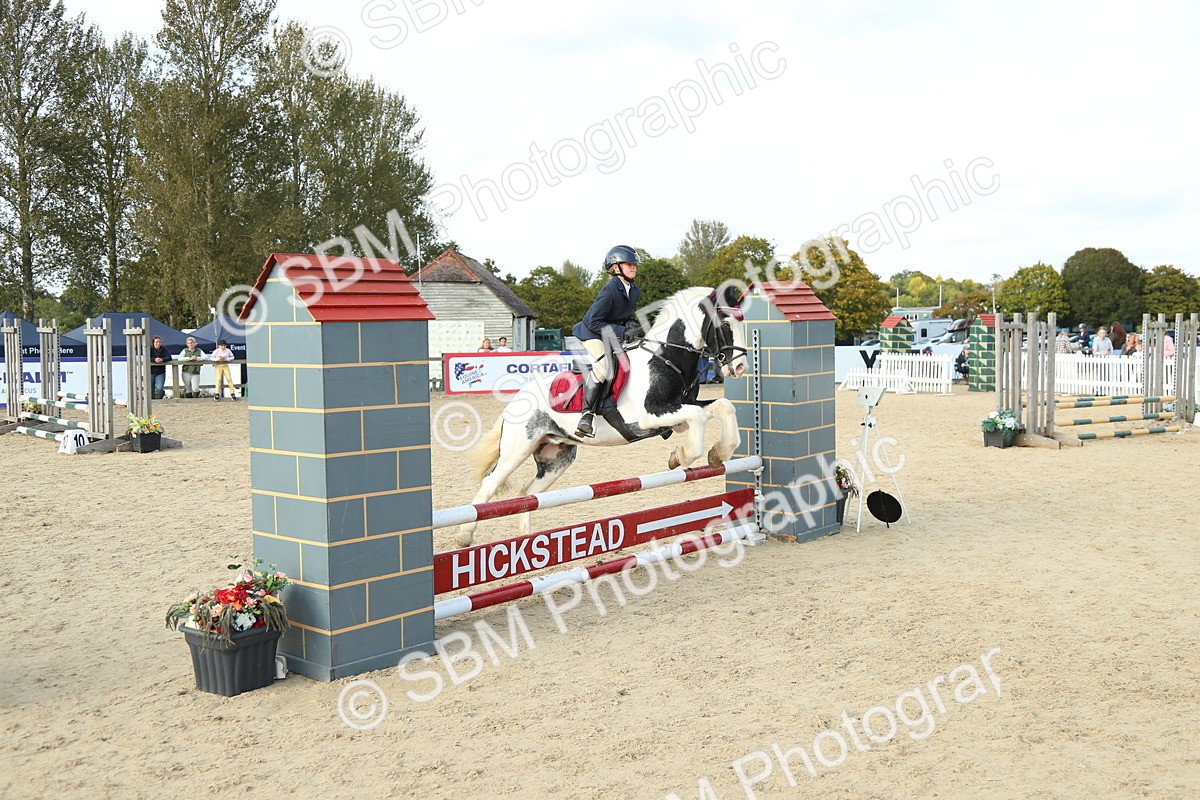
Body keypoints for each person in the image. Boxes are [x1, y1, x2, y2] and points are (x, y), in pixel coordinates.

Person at [571, 244, 641, 437]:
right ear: (615, 267)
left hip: (610, 333)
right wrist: (621, 330)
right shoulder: (609, 290)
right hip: (592, 333)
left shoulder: (634, 290)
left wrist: (631, 325)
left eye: (634, 264)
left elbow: (621, 316)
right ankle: (587, 415)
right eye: (628, 264)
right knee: (603, 367)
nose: (633, 267)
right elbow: (594, 322)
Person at [149, 335, 170, 399]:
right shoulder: (149, 349)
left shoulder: (164, 349)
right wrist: (154, 360)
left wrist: (162, 359)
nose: (158, 343)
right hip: (150, 372)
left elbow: (169, 357)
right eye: (157, 342)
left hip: (160, 372)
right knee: (150, 388)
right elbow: (146, 357)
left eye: (159, 342)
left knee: (159, 388)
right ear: (153, 343)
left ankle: (159, 398)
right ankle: (152, 400)